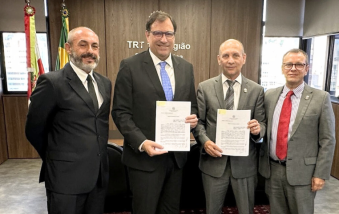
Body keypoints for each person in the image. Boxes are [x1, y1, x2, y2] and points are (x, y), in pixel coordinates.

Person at [112, 11, 198, 214]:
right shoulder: (130, 66)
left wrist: (193, 119)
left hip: (176, 159)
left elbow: (191, 105)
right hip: (143, 160)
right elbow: (120, 112)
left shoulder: (186, 68)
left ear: (174, 36)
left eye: (168, 33)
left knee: (170, 210)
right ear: (147, 35)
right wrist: (142, 143)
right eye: (158, 33)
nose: (163, 39)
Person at [25, 27, 112, 214]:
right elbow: (34, 129)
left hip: (98, 178)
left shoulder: (105, 84)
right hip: (65, 180)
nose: (90, 50)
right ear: (68, 48)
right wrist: (57, 158)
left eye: (95, 46)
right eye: (83, 45)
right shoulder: (52, 82)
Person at [259, 48, 336, 214]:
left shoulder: (321, 98)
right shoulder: (269, 96)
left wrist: (320, 174)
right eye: (288, 64)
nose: (293, 68)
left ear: (306, 68)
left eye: (299, 65)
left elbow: (327, 140)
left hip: (304, 174)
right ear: (282, 68)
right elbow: (264, 128)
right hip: (273, 170)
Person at [194, 39, 266, 214]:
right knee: (212, 210)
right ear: (219, 59)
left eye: (235, 55)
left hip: (245, 165)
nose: (230, 60)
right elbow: (198, 123)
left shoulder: (257, 90)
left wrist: (258, 130)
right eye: (225, 56)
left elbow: (262, 124)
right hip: (213, 164)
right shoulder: (205, 87)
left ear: (244, 58)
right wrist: (204, 142)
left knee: (246, 211)